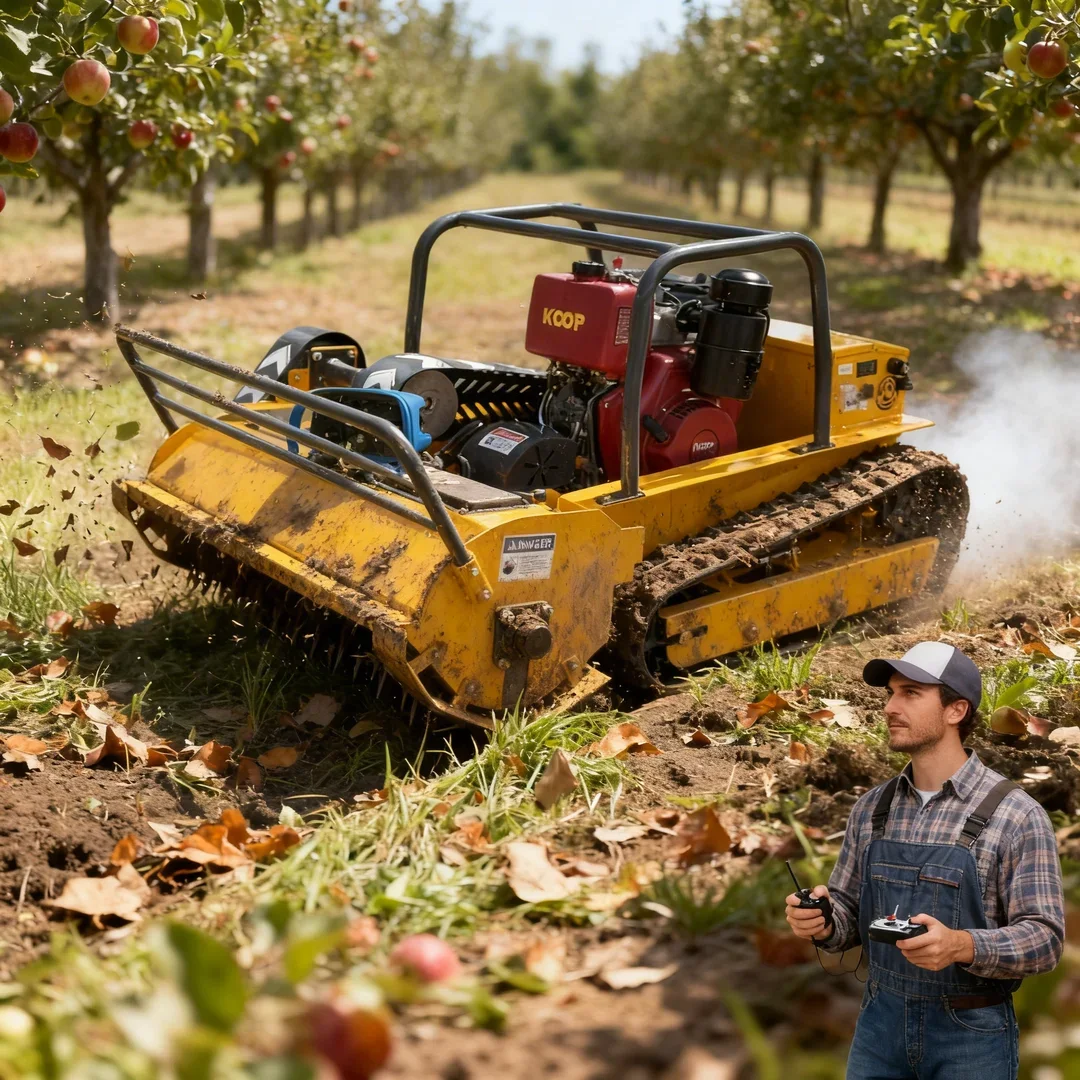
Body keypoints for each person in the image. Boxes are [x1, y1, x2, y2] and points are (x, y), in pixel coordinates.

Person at [785, 641, 1065, 1080]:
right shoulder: (872, 809)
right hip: (879, 1026)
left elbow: (1045, 940)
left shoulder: (1016, 816)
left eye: (911, 693)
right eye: (891, 693)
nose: (891, 707)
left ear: (956, 710)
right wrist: (822, 920)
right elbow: (846, 911)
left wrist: (961, 945)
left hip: (969, 1035)